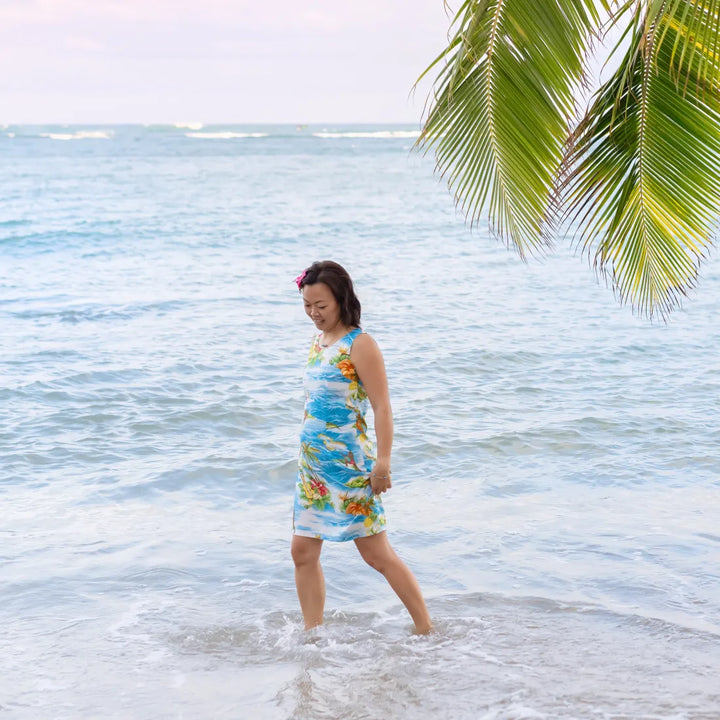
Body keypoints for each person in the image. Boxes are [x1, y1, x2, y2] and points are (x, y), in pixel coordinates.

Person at [291, 260, 432, 634]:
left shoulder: (361, 344)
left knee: (376, 554)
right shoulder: (318, 343)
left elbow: (382, 406)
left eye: (321, 305)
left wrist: (382, 463)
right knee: (302, 552)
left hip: (351, 465)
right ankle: (312, 636)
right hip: (313, 469)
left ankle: (425, 627)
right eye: (307, 305)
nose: (313, 313)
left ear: (340, 299)